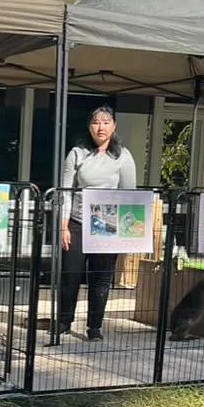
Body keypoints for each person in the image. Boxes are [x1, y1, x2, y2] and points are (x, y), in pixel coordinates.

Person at [54, 106, 137, 342]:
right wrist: (64, 226)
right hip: (78, 222)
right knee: (71, 274)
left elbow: (129, 195)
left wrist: (127, 234)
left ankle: (94, 327)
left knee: (100, 278)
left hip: (108, 226)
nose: (101, 127)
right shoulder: (77, 154)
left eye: (106, 122)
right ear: (90, 126)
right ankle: (64, 321)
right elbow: (65, 192)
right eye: (96, 122)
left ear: (114, 126)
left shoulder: (123, 156)